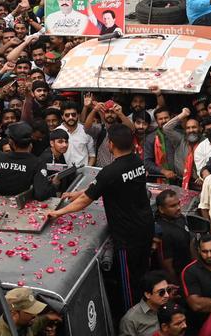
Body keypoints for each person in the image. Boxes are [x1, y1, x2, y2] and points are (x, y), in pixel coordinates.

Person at [46, 123, 154, 307]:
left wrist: (58, 212)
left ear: (110, 144)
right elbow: (101, 185)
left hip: (126, 237)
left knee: (129, 282)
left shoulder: (110, 171)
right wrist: (76, 193)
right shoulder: (136, 161)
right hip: (144, 227)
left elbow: (86, 200)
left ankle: (132, 314)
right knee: (143, 273)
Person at [121, 272, 173, 336]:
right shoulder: (131, 319)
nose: (167, 295)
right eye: (161, 292)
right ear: (147, 294)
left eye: (168, 290)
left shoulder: (170, 308)